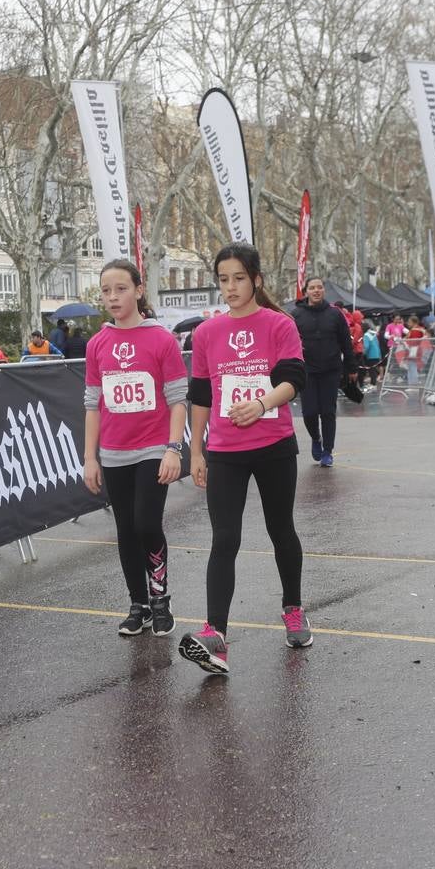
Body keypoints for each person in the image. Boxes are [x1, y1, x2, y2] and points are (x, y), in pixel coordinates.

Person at [178, 242, 309, 675]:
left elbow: (293, 379)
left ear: (256, 279)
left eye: (238, 278)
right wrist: (195, 451)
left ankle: (292, 607)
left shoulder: (279, 325)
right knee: (224, 538)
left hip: (273, 445)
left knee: (280, 531)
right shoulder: (206, 333)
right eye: (223, 279)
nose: (230, 287)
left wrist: (261, 403)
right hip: (225, 452)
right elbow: (200, 396)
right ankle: (215, 635)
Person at [83, 259, 187, 638]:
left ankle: (161, 600)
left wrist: (173, 449)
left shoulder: (161, 339)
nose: (113, 297)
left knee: (146, 522)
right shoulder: (97, 344)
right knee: (126, 530)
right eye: (106, 290)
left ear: (138, 290)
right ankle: (138, 604)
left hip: (153, 450)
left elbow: (178, 400)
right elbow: (93, 405)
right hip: (112, 453)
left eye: (121, 288)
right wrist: (89, 458)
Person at [291, 277, 355, 467]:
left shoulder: (335, 314)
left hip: (331, 369)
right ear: (306, 292)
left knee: (328, 411)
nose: (316, 290)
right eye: (312, 288)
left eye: (320, 287)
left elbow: (346, 343)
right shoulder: (296, 315)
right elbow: (288, 344)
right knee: (309, 412)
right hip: (307, 371)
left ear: (324, 291)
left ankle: (328, 451)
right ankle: (315, 438)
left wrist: (351, 367)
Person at [398, 314, 429, 384]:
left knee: (412, 368)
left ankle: (413, 384)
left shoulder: (415, 331)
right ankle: (412, 384)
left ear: (414, 322)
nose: (408, 324)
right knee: (412, 367)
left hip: (413, 351)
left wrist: (404, 343)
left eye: (409, 322)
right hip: (416, 351)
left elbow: (413, 342)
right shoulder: (420, 329)